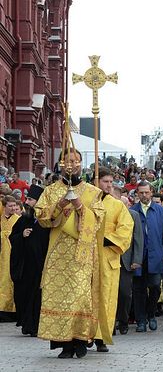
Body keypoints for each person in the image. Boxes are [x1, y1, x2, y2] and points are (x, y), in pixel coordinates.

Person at [35, 149, 105, 358]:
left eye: (75, 161)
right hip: (58, 253)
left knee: (80, 296)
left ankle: (81, 341)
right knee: (58, 297)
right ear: (61, 164)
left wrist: (79, 206)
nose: (71, 164)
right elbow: (41, 217)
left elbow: (98, 219)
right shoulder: (50, 190)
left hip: (81, 254)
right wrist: (60, 205)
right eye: (67, 161)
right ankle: (65, 344)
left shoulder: (92, 191)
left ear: (81, 163)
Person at [93, 167, 134, 352]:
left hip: (109, 255)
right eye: (105, 182)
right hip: (88, 256)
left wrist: (108, 240)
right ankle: (86, 333)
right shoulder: (87, 202)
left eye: (111, 182)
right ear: (96, 181)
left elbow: (126, 228)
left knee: (107, 298)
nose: (109, 186)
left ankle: (102, 337)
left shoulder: (117, 205)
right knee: (88, 297)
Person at [130, 181, 163, 333]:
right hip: (138, 257)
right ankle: (141, 320)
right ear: (137, 193)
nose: (144, 195)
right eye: (141, 192)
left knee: (155, 287)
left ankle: (151, 315)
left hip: (156, 255)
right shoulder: (132, 210)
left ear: (152, 192)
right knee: (138, 289)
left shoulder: (160, 210)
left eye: (147, 192)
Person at [9, 185, 49, 336]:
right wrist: (22, 236)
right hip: (25, 267)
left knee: (38, 297)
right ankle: (27, 325)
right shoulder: (23, 220)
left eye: (30, 199)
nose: (27, 202)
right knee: (24, 295)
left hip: (40, 266)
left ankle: (36, 326)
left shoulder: (45, 221)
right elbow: (12, 237)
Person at [115, 195, 143, 335]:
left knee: (125, 293)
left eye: (123, 204)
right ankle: (111, 322)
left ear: (128, 205)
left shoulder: (133, 215)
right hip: (111, 258)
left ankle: (123, 320)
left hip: (126, 261)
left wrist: (136, 259)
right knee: (110, 292)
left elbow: (138, 238)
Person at [0, 195, 20, 316]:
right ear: (4, 206)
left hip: (14, 253)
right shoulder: (0, 219)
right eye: (10, 206)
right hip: (2, 253)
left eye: (14, 205)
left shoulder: (18, 219)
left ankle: (13, 310)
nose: (13, 208)